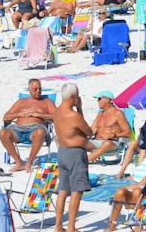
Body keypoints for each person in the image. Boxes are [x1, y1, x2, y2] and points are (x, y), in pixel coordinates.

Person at [53, 82, 92, 232]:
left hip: (62, 151)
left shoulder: (57, 112)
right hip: (75, 153)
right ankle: (71, 227)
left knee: (63, 190)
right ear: (72, 97)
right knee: (77, 191)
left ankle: (58, 225)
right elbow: (88, 131)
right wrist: (80, 108)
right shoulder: (73, 115)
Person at [0, 78, 57, 172]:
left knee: (40, 132)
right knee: (3, 133)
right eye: (35, 89)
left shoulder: (47, 102)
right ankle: (19, 163)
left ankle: (29, 162)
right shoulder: (21, 102)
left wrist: (39, 115)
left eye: (40, 88)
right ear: (29, 90)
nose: (38, 91)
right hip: (17, 130)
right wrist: (19, 114)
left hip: (35, 130)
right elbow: (6, 117)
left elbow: (57, 117)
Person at [85, 90, 131, 162]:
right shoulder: (100, 114)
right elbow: (91, 131)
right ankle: (72, 161)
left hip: (113, 143)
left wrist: (114, 135)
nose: (98, 101)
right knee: (79, 142)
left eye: (99, 99)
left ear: (107, 100)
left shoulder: (118, 113)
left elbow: (128, 133)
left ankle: (84, 162)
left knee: (107, 143)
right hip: (97, 141)